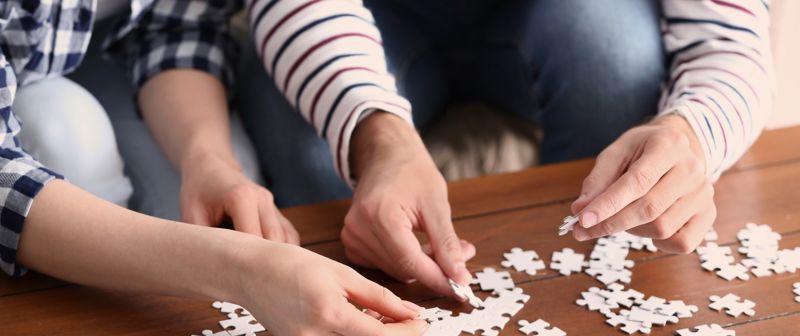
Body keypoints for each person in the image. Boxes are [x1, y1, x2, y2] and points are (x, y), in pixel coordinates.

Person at [0, 0, 427, 336]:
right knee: (66, 133)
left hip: (108, 51)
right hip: (32, 92)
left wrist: (208, 161)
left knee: (222, 197)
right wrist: (241, 269)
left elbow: (175, 27)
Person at [245, 0, 773, 283]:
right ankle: (348, 299)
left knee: (615, 60)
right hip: (363, 19)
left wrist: (691, 133)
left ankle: (590, 279)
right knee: (307, 140)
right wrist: (375, 134)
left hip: (566, 17)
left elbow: (728, 38)